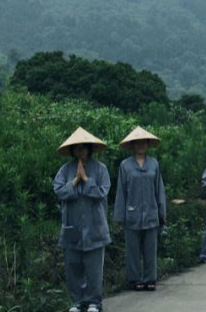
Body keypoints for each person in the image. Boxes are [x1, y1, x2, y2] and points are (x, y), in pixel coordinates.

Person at [54, 126, 111, 312]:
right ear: (72, 151)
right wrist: (75, 181)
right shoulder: (65, 170)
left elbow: (102, 192)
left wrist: (86, 179)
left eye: (83, 148)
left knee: (94, 269)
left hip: (95, 226)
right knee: (73, 267)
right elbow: (59, 191)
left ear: (89, 149)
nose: (80, 151)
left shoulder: (101, 169)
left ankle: (94, 302)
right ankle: (77, 302)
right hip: (72, 227)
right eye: (76, 148)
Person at [113, 125, 167, 290]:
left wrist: (162, 213)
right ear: (133, 145)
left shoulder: (154, 164)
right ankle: (135, 279)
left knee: (151, 249)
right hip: (132, 213)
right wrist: (120, 217)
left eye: (143, 142)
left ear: (147, 144)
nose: (141, 145)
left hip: (151, 213)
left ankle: (150, 279)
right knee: (132, 250)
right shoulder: (125, 165)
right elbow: (121, 192)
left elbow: (160, 190)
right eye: (137, 142)